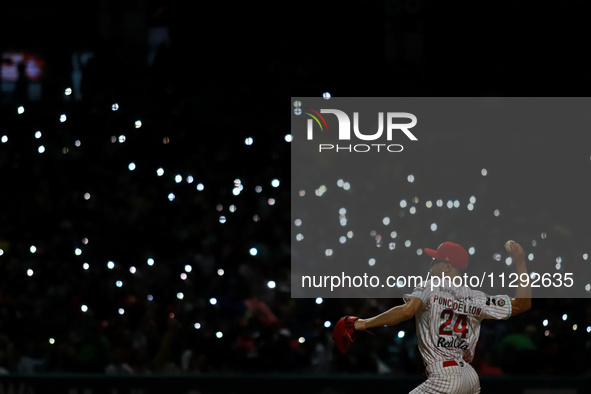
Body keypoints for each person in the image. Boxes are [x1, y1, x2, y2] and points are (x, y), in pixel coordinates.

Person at [339, 241, 531, 394]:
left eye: (435, 261)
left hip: (445, 375)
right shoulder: (477, 298)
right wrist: (520, 263)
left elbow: (407, 311)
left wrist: (362, 323)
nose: (430, 265)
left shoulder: (431, 285)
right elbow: (523, 305)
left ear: (447, 267)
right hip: (470, 379)